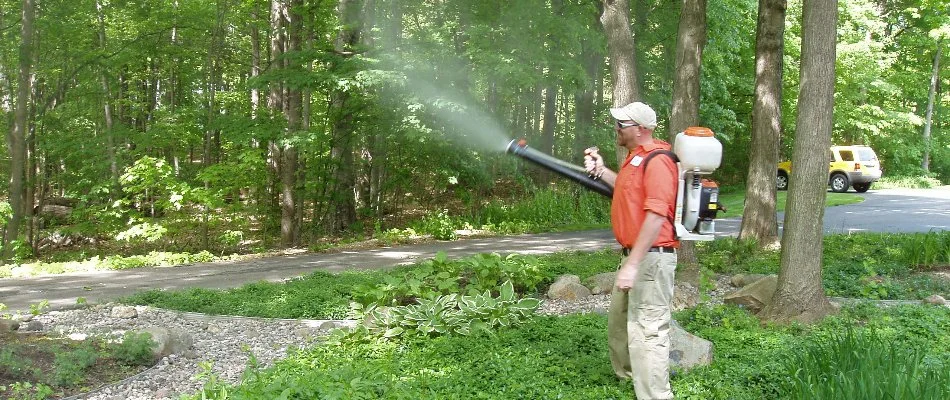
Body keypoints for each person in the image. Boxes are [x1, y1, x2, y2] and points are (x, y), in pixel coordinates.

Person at [583, 101, 679, 400]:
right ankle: (630, 380)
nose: (616, 129)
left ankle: (654, 396)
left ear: (640, 129)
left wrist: (632, 265)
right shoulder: (635, 158)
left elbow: (656, 214)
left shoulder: (659, 160)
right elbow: (623, 187)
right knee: (620, 326)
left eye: (621, 125)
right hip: (634, 256)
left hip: (650, 259)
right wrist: (600, 170)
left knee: (648, 333)